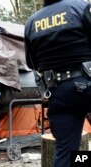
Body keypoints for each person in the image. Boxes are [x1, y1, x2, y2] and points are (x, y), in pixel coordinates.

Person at [24, 0, 91, 166]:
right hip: (88, 82)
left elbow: (31, 63)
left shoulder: (31, 22)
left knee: (65, 154)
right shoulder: (81, 7)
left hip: (58, 92)